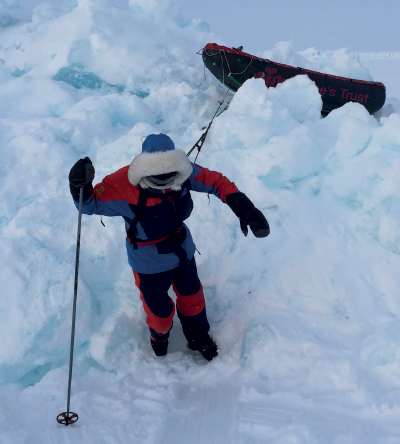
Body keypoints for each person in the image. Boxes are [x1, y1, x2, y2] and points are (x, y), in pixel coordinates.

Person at [68, 133, 269, 361]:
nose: (165, 183)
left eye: (170, 177)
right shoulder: (123, 183)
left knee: (193, 298)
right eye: (157, 178)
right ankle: (159, 336)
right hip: (148, 264)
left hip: (182, 251)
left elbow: (216, 182)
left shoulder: (182, 171)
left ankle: (198, 336)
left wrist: (244, 208)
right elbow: (90, 204)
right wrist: (79, 186)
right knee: (159, 314)